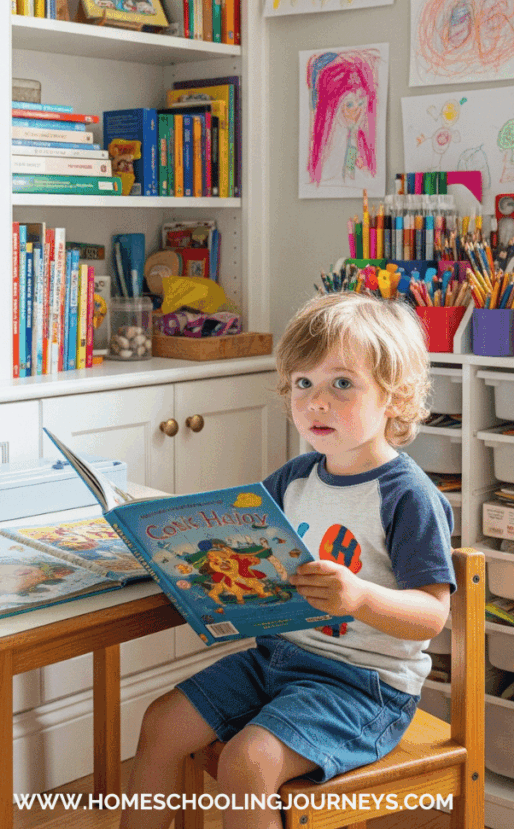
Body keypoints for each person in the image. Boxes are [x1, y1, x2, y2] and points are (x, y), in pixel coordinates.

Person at [120, 293, 455, 829]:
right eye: (304, 383)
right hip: (277, 659)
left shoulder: (407, 495)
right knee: (161, 723)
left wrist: (361, 597)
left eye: (342, 383)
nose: (317, 401)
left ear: (394, 397)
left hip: (364, 686)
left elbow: (433, 617)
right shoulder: (295, 477)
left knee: (247, 761)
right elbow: (248, 551)